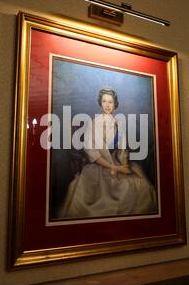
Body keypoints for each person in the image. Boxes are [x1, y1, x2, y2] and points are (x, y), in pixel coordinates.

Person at [58, 88, 158, 219]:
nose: (107, 105)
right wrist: (113, 167)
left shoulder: (118, 124)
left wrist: (124, 166)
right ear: (100, 103)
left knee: (141, 186)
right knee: (100, 198)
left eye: (110, 102)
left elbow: (122, 150)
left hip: (116, 164)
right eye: (104, 101)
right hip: (98, 167)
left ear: (115, 104)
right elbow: (92, 152)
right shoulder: (94, 124)